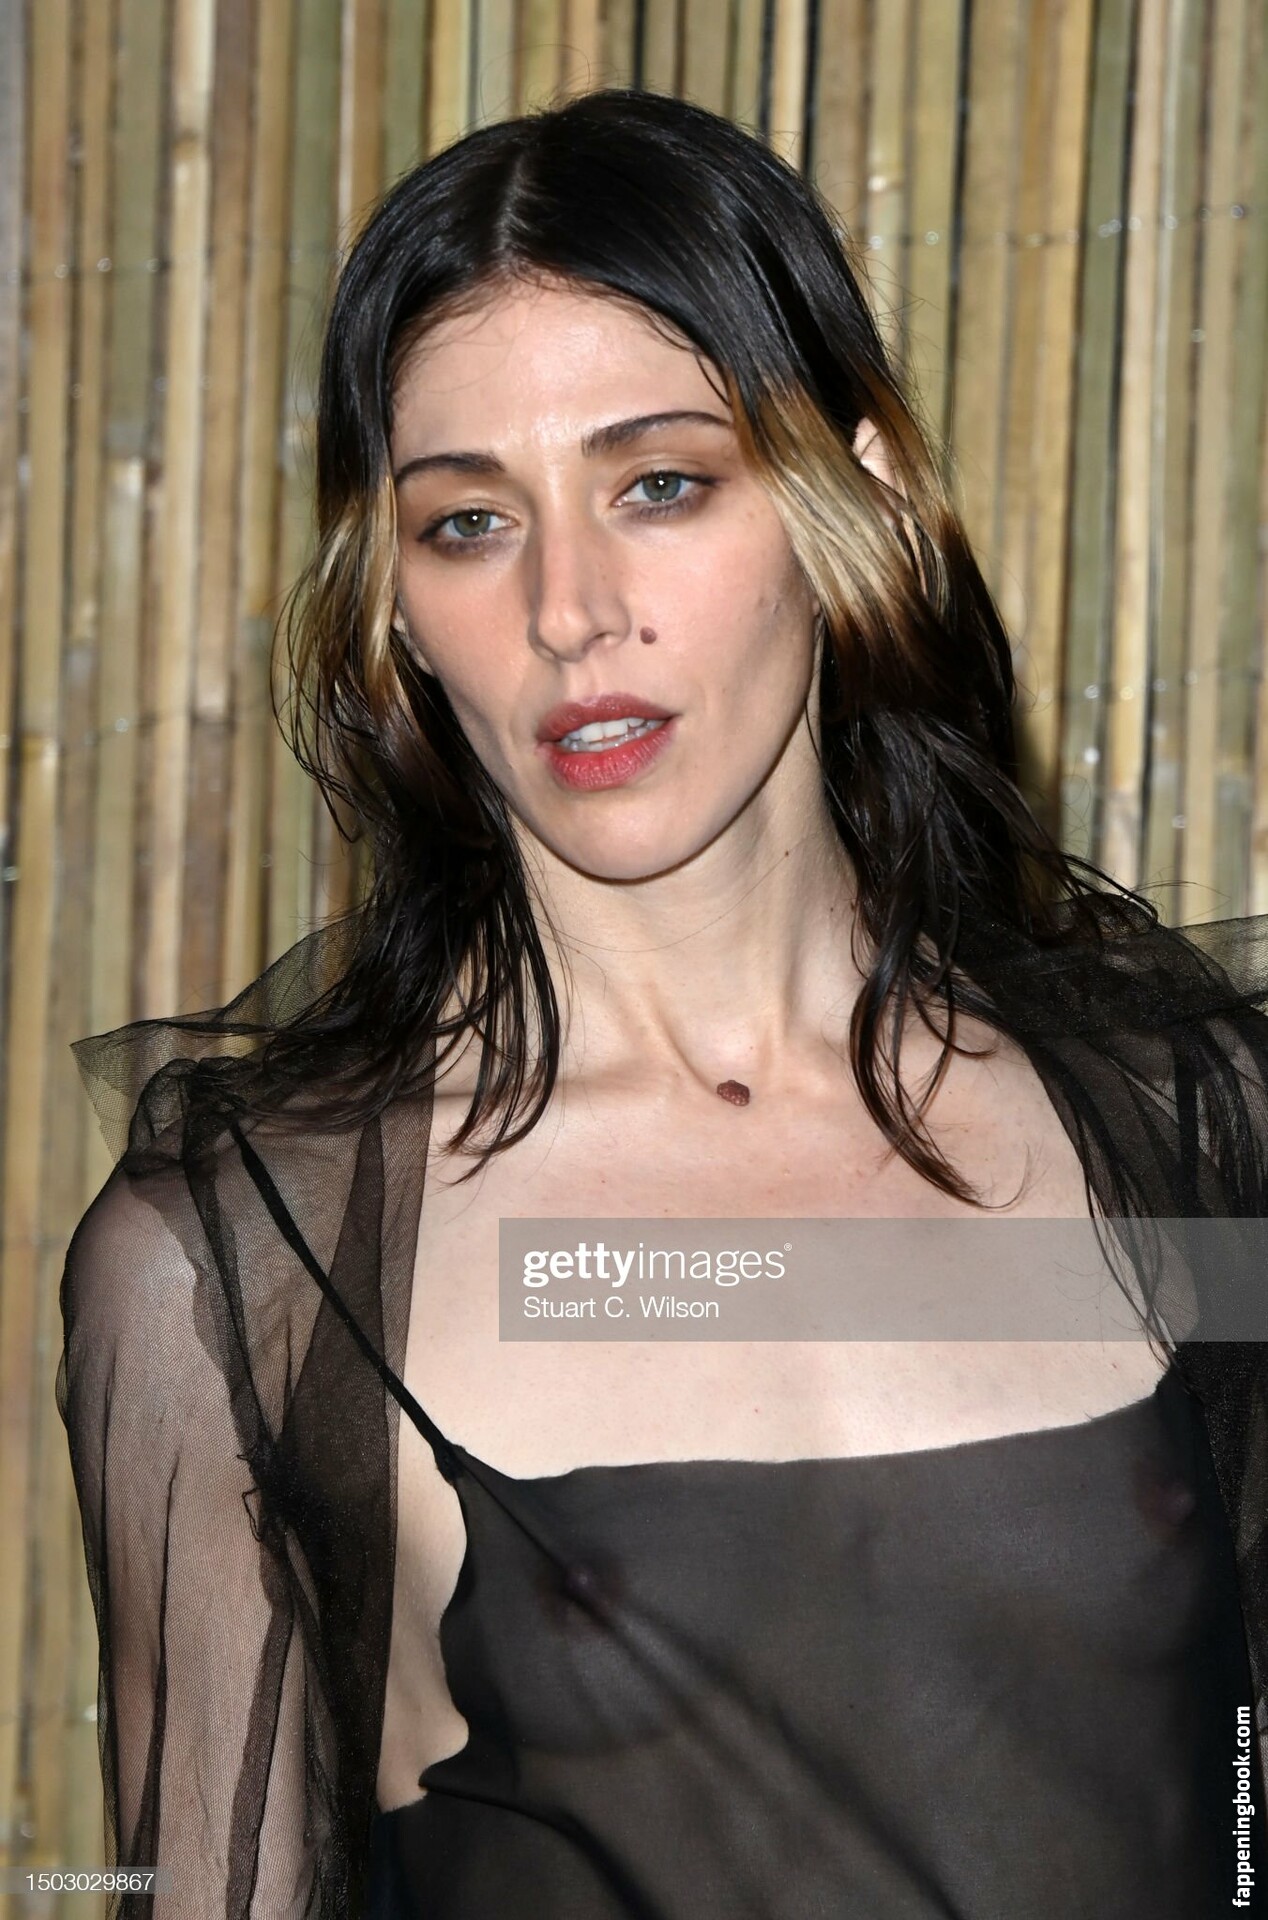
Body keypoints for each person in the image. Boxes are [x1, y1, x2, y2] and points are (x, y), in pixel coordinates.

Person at [57, 87, 1268, 1919]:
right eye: (470, 523)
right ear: (398, 607)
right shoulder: (254, 1275)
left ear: (863, 499)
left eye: (661, 485)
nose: (569, 608)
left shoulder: (1199, 1125)